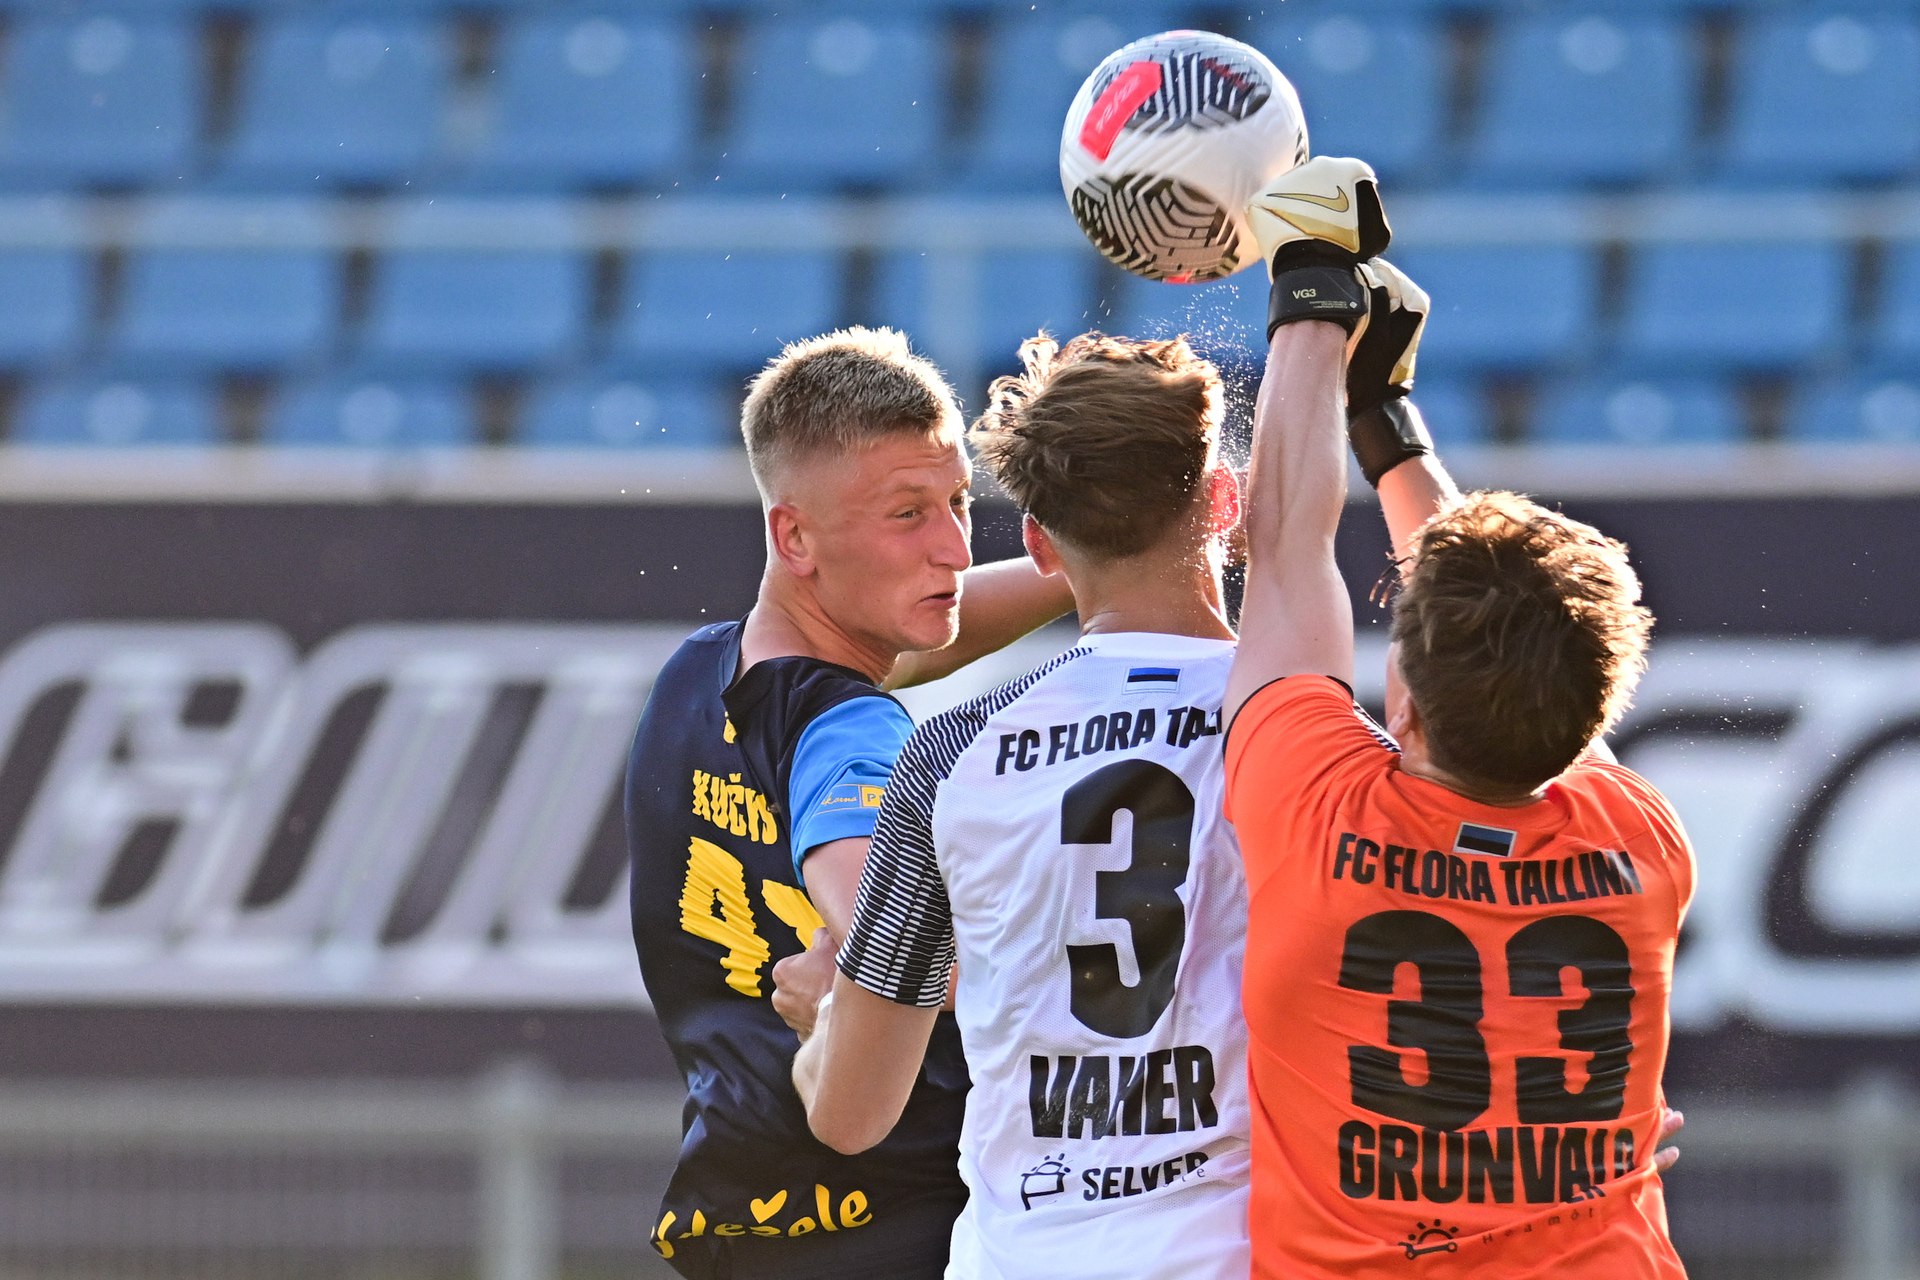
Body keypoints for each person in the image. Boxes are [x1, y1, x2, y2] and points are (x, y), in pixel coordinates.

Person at [1223, 156, 1693, 1277]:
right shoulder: (1636, 843)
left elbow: (1283, 553)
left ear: (1407, 702)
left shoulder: (1319, 812)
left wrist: (1315, 300)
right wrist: (1377, 411)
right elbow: (1547, 676)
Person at [787, 328, 1258, 1280]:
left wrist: (824, 1018)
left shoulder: (947, 756)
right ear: (1225, 502)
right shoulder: (1304, 736)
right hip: (1235, 1254)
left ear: (1038, 544)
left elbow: (851, 1114)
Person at [626, 326, 1072, 1280]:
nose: (955, 547)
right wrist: (859, 972)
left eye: (959, 502)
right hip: (901, 1233)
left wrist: (1090, 568)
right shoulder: (854, 729)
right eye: (908, 515)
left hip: (749, 1223)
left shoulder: (701, 673)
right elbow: (889, 928)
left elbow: (908, 641)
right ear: (795, 536)